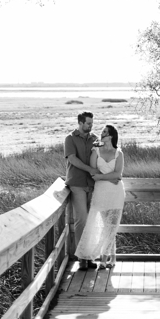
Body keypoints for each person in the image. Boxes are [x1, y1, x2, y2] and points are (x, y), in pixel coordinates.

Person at [75, 124, 126, 270]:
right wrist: (109, 178)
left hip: (116, 193)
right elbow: (93, 174)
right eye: (102, 131)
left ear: (111, 136)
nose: (102, 134)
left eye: (105, 132)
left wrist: (103, 177)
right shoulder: (95, 151)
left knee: (112, 227)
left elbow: (118, 175)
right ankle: (111, 258)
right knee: (106, 226)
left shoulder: (119, 153)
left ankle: (105, 259)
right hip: (101, 192)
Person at [63, 112, 98, 270]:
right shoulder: (70, 138)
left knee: (90, 222)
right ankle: (82, 258)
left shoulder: (95, 139)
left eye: (92, 123)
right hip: (77, 183)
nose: (91, 126)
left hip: (92, 184)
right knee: (81, 220)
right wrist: (90, 168)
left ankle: (89, 256)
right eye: (88, 123)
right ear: (80, 123)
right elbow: (72, 159)